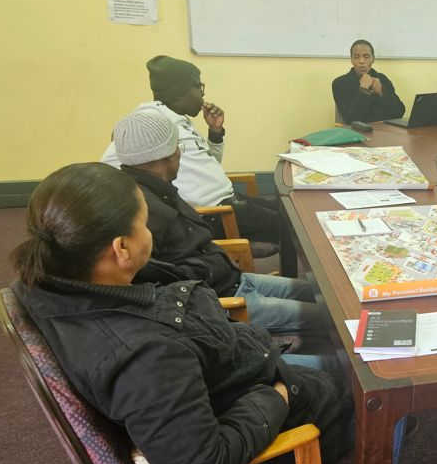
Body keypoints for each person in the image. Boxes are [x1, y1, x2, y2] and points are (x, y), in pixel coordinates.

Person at [11, 163, 430, 464]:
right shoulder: (144, 357)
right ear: (120, 247)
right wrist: (277, 396)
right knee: (385, 391)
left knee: (351, 365)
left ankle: (379, 429)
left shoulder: (61, 283)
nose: (150, 233)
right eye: (144, 225)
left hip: (233, 380)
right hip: (266, 423)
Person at [110, 109, 326, 337]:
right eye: (179, 147)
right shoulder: (145, 212)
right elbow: (168, 283)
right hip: (223, 300)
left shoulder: (152, 189)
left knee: (320, 293)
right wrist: (213, 267)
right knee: (329, 317)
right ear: (169, 154)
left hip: (235, 280)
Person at [102, 55, 280, 249]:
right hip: (214, 215)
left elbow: (208, 165)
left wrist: (215, 132)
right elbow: (110, 166)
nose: (202, 95)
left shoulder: (178, 120)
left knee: (287, 210)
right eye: (198, 87)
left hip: (229, 200)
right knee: (291, 227)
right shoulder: (151, 124)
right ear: (179, 92)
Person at [331, 39, 405, 124]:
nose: (361, 61)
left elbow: (399, 113)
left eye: (366, 57)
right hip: (359, 131)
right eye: (356, 57)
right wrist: (363, 90)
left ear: (373, 59)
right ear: (351, 60)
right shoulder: (340, 83)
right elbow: (352, 120)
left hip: (386, 129)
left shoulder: (382, 79)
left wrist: (381, 91)